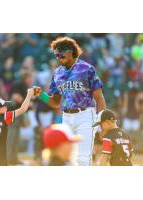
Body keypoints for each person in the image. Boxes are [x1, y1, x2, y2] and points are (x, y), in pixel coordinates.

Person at [35, 37, 106, 165]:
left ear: (71, 51)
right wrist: (42, 95)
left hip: (85, 115)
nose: (58, 56)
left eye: (61, 52)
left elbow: (99, 97)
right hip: (66, 116)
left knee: (83, 157)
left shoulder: (86, 68)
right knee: (66, 157)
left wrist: (102, 121)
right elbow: (55, 103)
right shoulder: (57, 73)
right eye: (56, 54)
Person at [0, 88, 36, 166]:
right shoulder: (4, 117)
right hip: (0, 157)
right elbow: (22, 109)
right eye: (3, 106)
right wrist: (29, 95)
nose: (6, 106)